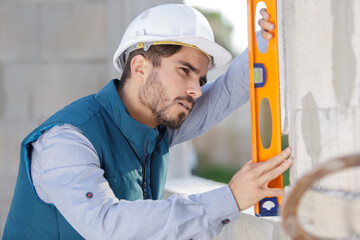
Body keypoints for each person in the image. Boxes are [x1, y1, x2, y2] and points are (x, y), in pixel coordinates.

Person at [3, 4, 293, 240]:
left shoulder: (155, 129)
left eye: (200, 79)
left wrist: (264, 42)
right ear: (139, 67)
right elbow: (107, 225)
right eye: (185, 70)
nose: (196, 90)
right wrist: (229, 198)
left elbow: (226, 93)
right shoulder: (66, 140)